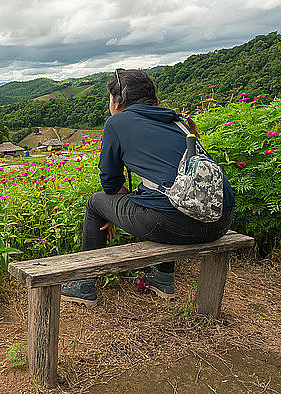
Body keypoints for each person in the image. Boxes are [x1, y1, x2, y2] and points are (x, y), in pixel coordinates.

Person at [61, 69, 235, 306]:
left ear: (117, 100)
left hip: (176, 225)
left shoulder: (117, 122)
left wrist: (112, 209)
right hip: (220, 222)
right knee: (163, 198)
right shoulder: (177, 121)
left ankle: (83, 284)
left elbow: (109, 183)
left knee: (96, 203)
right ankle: (162, 278)